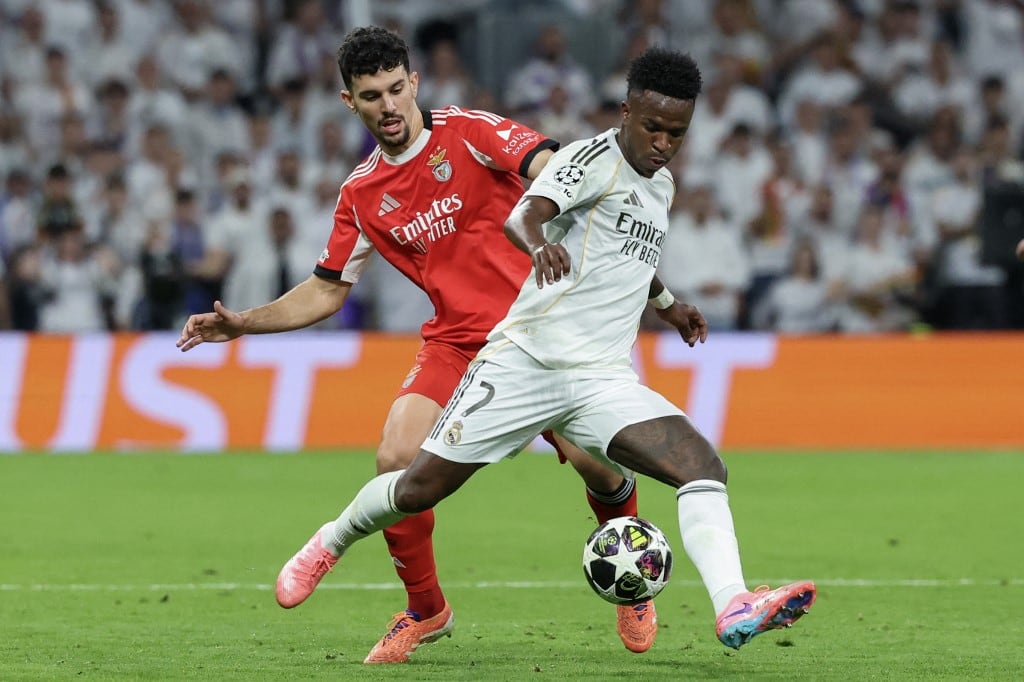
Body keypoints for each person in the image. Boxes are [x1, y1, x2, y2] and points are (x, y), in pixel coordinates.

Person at [275, 46, 816, 655]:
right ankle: (334, 539)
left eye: (677, 133)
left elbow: (622, 256)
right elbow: (528, 212)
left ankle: (733, 604)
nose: (664, 143)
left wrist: (666, 303)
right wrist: (537, 243)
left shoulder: (658, 185)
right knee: (412, 485)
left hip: (598, 378)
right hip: (523, 362)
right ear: (626, 112)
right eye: (654, 127)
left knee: (700, 467)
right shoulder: (586, 158)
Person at [177, 26, 652, 662]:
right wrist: (242, 324)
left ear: (415, 83)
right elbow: (325, 291)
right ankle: (426, 609)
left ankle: (633, 584)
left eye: (397, 88)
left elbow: (549, 167)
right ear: (350, 102)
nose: (388, 105)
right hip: (456, 343)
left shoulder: (472, 133)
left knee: (599, 464)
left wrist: (562, 201)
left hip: (542, 331)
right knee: (394, 456)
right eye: (371, 95)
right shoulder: (362, 194)